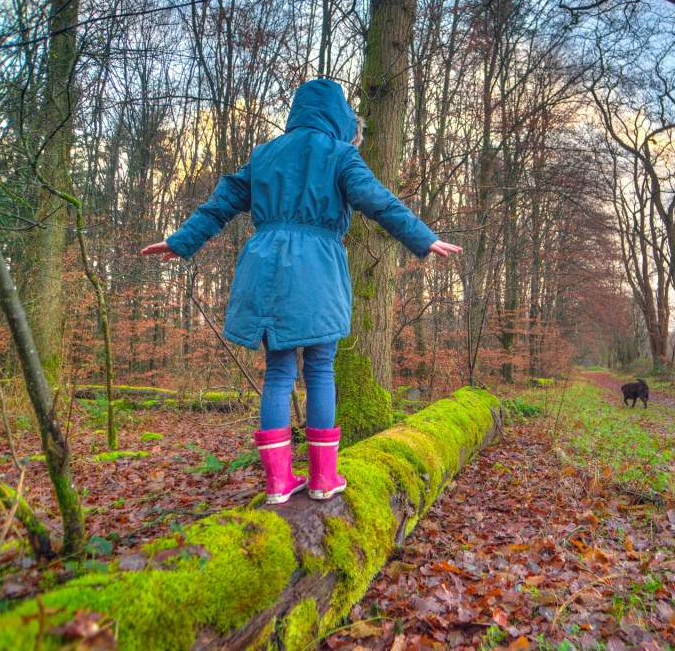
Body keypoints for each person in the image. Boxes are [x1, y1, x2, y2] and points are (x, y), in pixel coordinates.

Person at [142, 79, 461, 505]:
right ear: (339, 117)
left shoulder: (265, 154)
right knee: (320, 369)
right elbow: (377, 201)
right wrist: (422, 237)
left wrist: (182, 240)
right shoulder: (340, 153)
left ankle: (277, 483)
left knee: (278, 372)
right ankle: (323, 479)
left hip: (264, 265)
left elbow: (219, 204)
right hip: (316, 269)